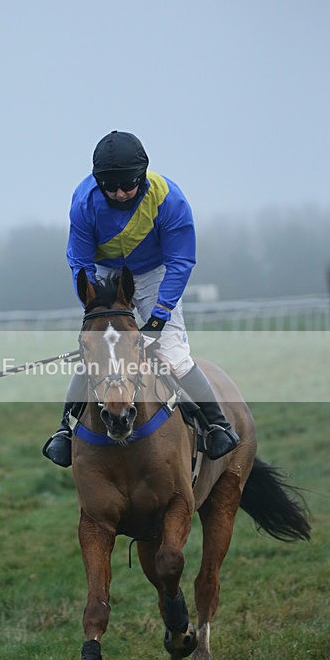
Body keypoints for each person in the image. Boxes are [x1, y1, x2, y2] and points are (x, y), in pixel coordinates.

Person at [42, 130, 239, 467]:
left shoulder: (170, 199)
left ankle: (217, 424)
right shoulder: (84, 200)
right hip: (104, 275)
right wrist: (95, 308)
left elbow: (181, 261)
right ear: (98, 183)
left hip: (153, 275)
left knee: (173, 354)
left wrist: (159, 317)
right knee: (96, 352)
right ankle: (65, 429)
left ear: (142, 176)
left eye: (127, 186)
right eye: (111, 187)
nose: (119, 193)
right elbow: (79, 260)